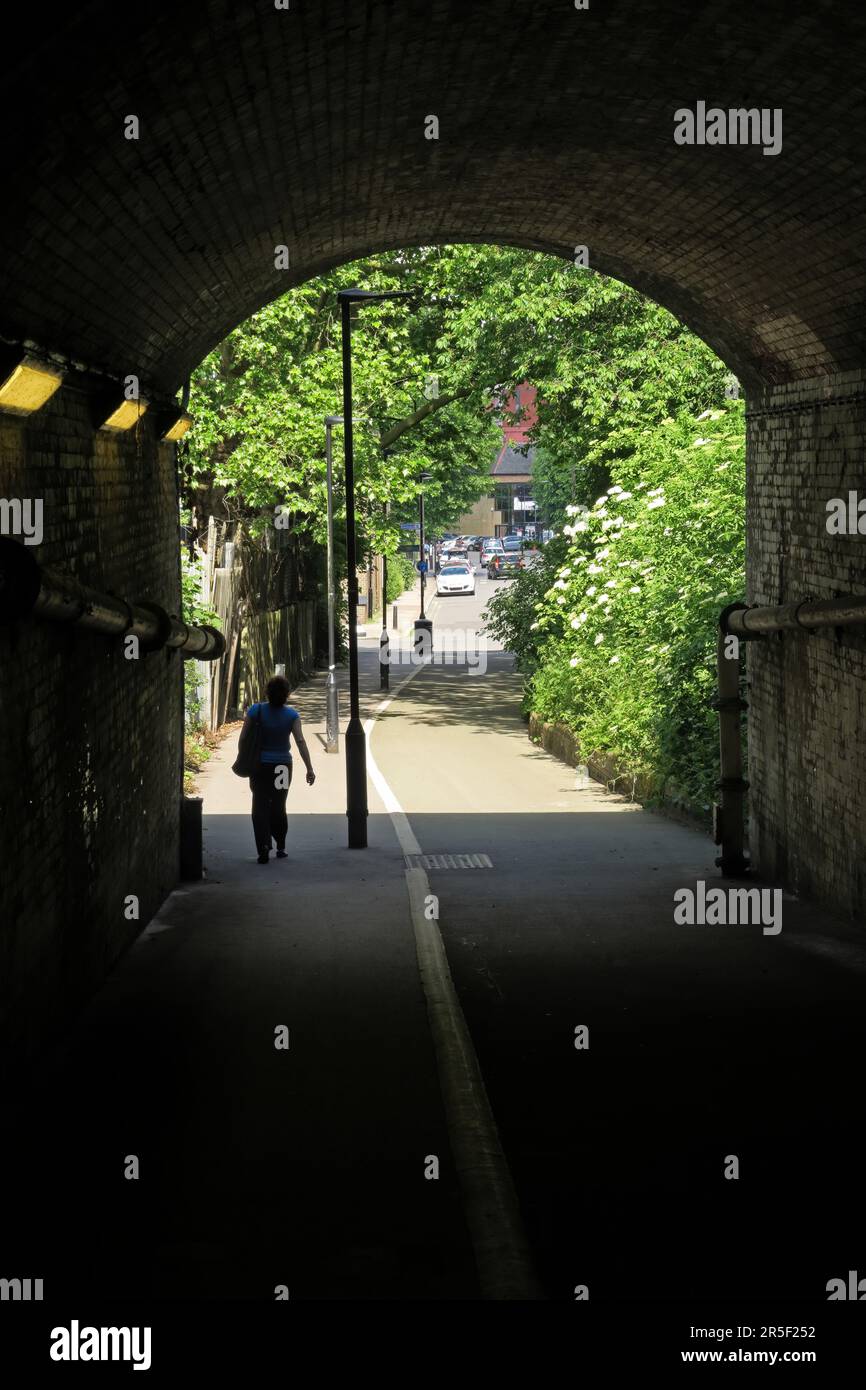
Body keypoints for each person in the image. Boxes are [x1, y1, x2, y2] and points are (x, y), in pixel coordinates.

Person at [241, 674, 315, 864]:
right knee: (278, 805)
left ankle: (263, 846)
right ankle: (280, 845)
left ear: (267, 692)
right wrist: (309, 768)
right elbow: (300, 741)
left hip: (259, 766)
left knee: (259, 805)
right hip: (282, 767)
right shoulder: (292, 715)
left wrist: (245, 758)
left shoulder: (255, 711)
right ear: (287, 694)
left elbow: (243, 739)